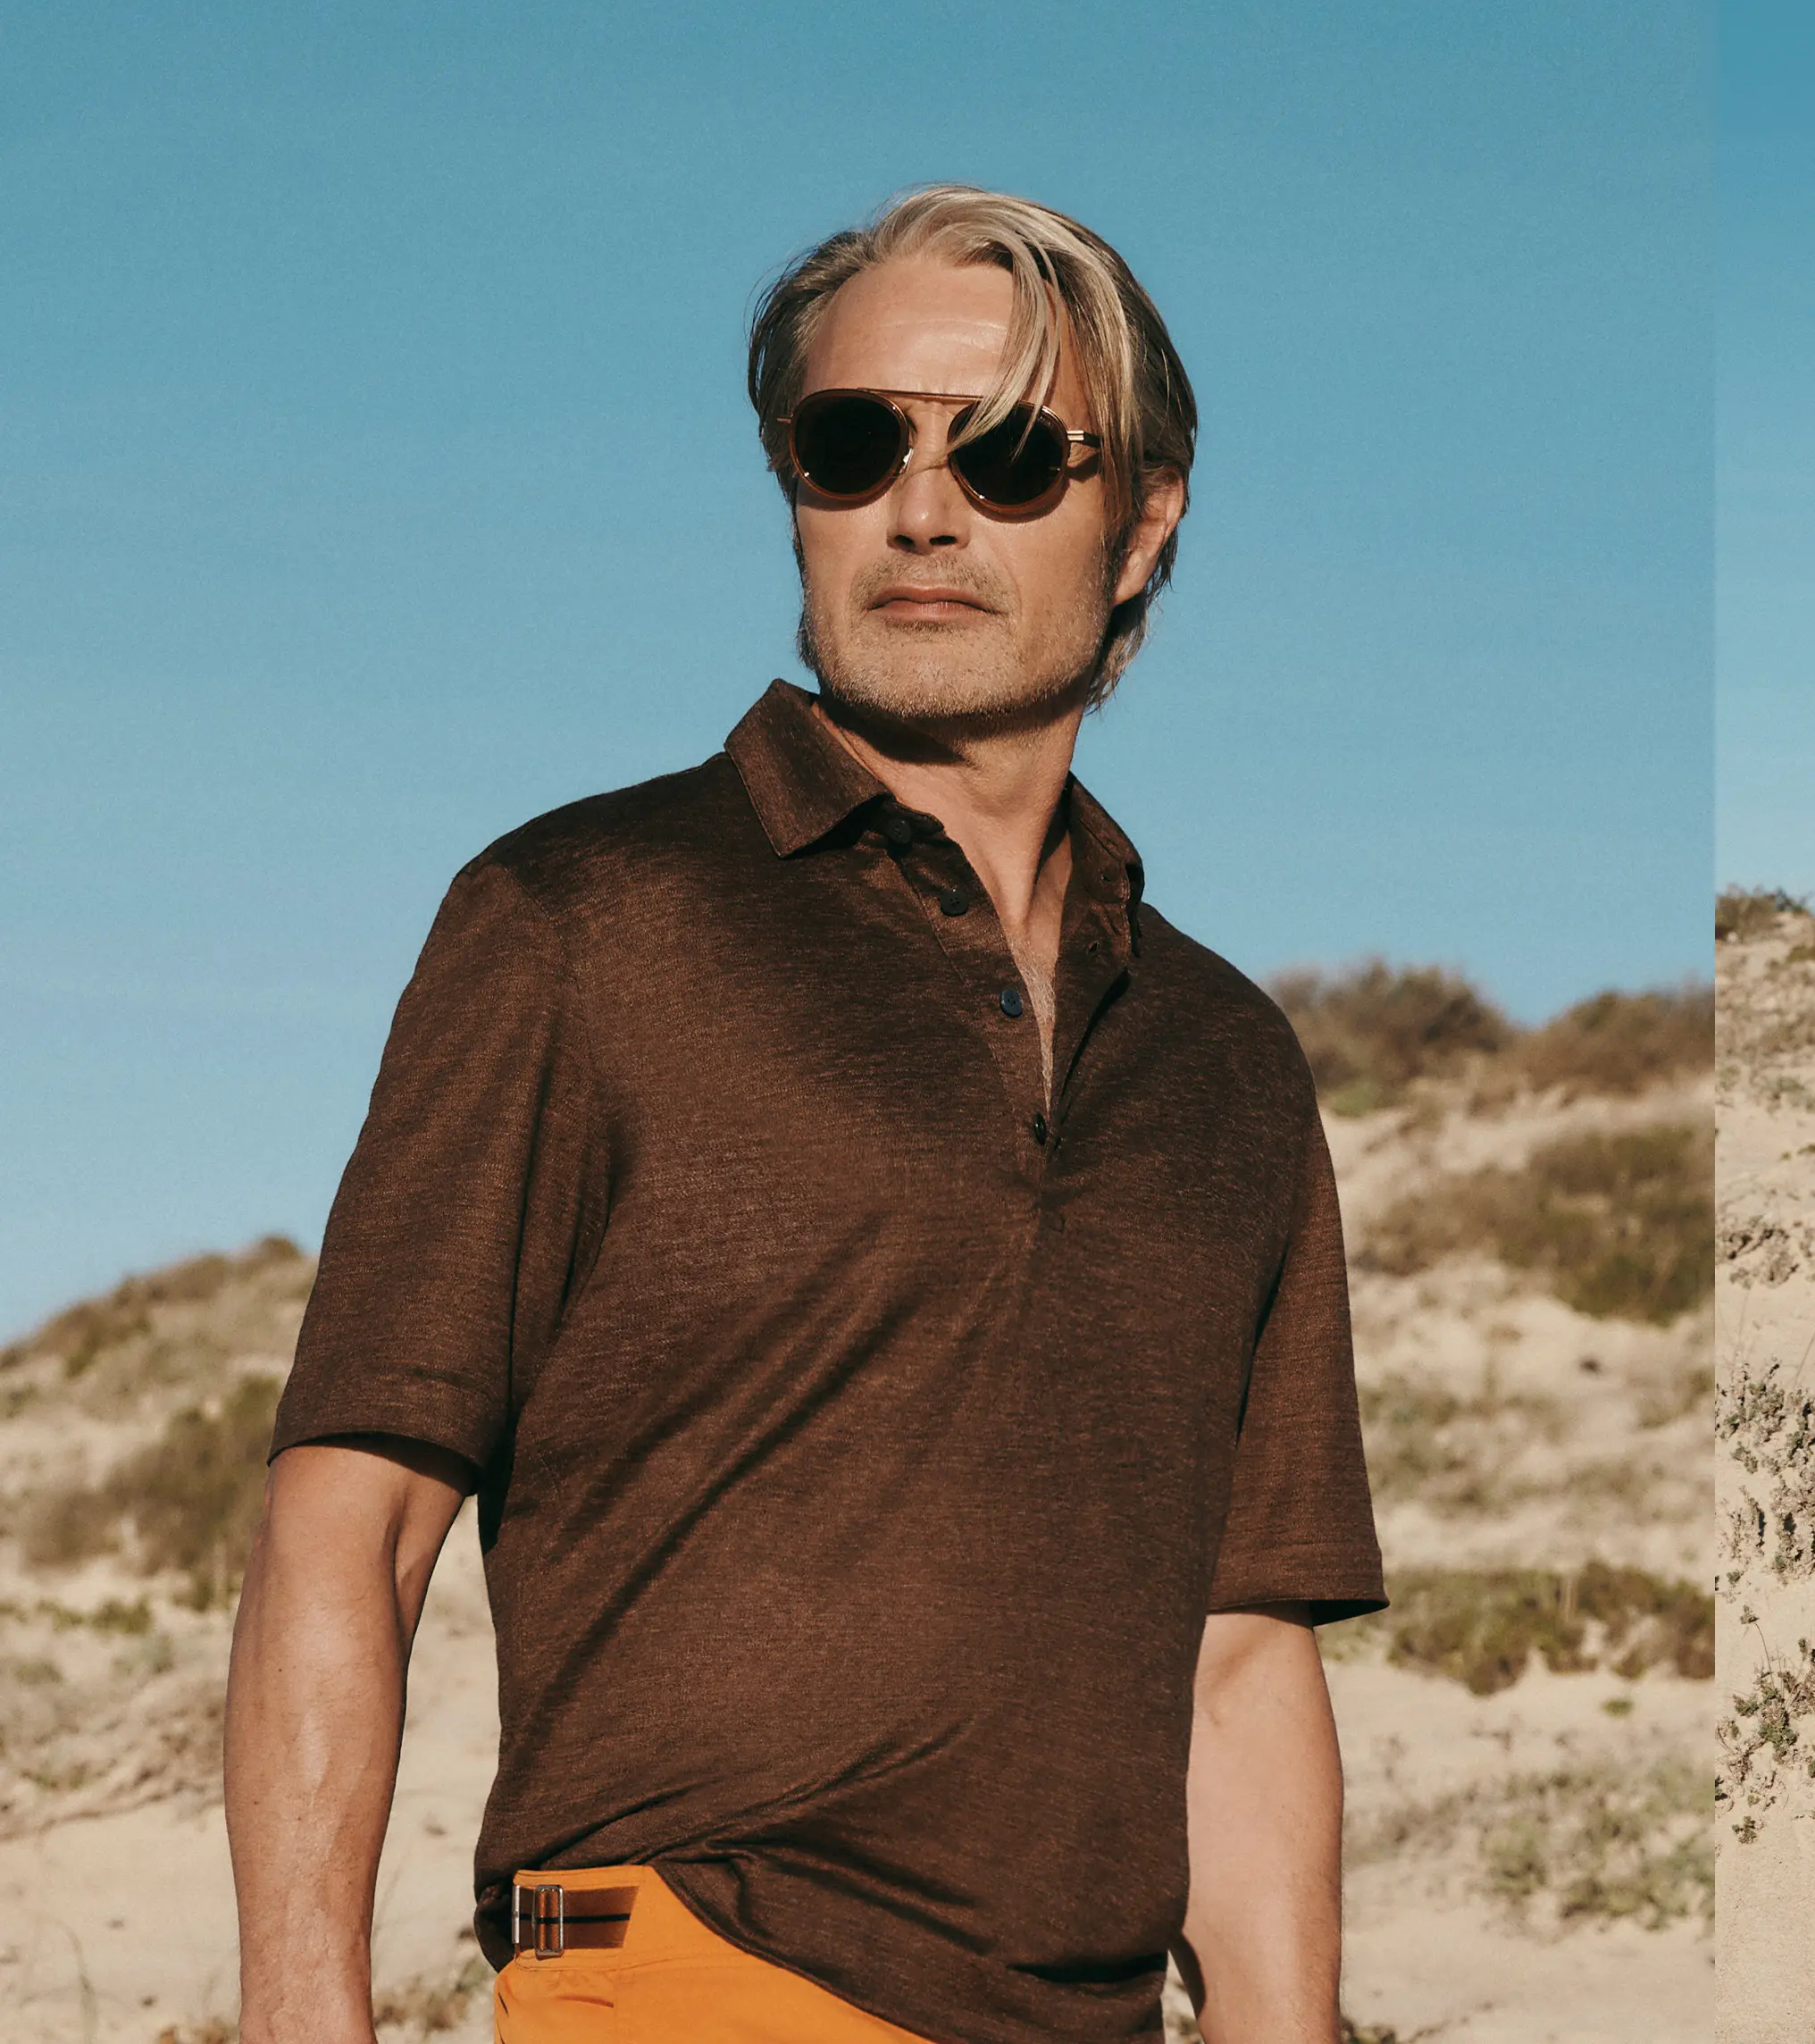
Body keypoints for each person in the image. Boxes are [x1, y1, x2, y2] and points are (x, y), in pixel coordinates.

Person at [226, 187, 1384, 2044]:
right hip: (697, 1975)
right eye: (857, 444)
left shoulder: (1228, 1061)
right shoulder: (586, 916)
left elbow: (1237, 1663)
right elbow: (346, 1523)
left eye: (1010, 453)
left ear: (1144, 518)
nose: (923, 509)